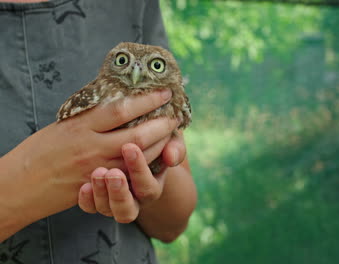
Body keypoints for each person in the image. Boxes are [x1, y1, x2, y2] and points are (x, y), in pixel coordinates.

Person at [0, 0, 197, 263]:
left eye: (156, 66)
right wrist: (27, 178)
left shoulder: (133, 7)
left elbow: (173, 224)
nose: (136, 74)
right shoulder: (95, 94)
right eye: (123, 61)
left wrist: (148, 173)